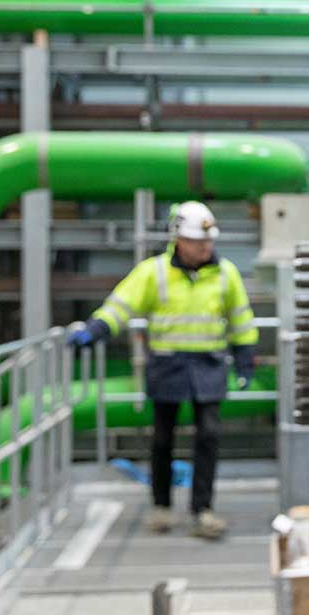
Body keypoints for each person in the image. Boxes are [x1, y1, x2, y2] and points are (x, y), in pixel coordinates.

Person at [69, 201, 256, 539]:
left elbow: (241, 319)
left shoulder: (225, 273)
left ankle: (202, 511)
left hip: (208, 364)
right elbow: (121, 305)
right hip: (168, 364)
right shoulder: (153, 272)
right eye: (198, 242)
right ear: (178, 240)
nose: (205, 247)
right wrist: (96, 330)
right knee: (162, 438)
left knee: (209, 437)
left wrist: (245, 360)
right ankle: (161, 507)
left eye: (208, 241)